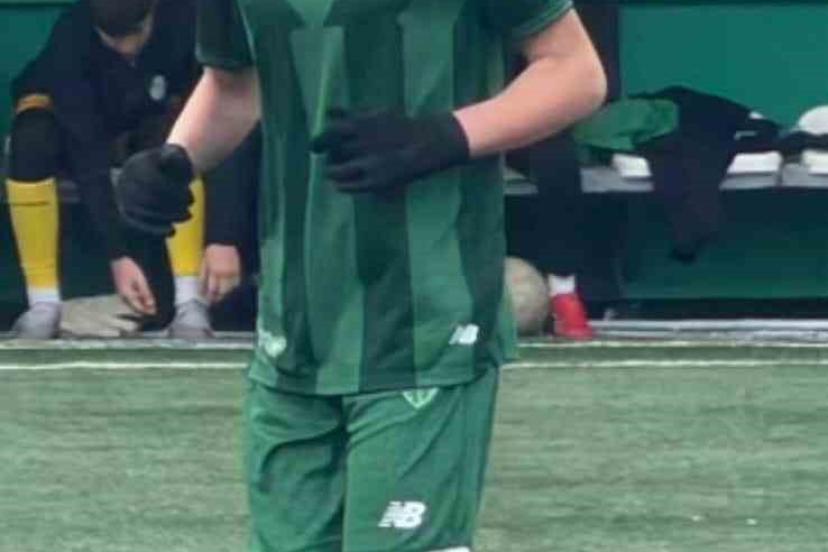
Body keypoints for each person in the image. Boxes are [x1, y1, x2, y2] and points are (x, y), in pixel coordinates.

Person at [116, 0, 606, 550]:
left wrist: (445, 134)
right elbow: (234, 85)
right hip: (294, 329)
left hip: (425, 319)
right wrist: (176, 160)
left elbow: (575, 72)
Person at [5, 0, 244, 339]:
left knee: (179, 144)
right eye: (111, 39)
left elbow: (226, 121)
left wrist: (223, 237)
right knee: (31, 138)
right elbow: (86, 151)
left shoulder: (191, 23)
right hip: (84, 125)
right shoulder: (71, 38)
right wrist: (118, 255)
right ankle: (43, 304)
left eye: (132, 35)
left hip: (150, 120)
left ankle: (190, 301)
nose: (123, 49)